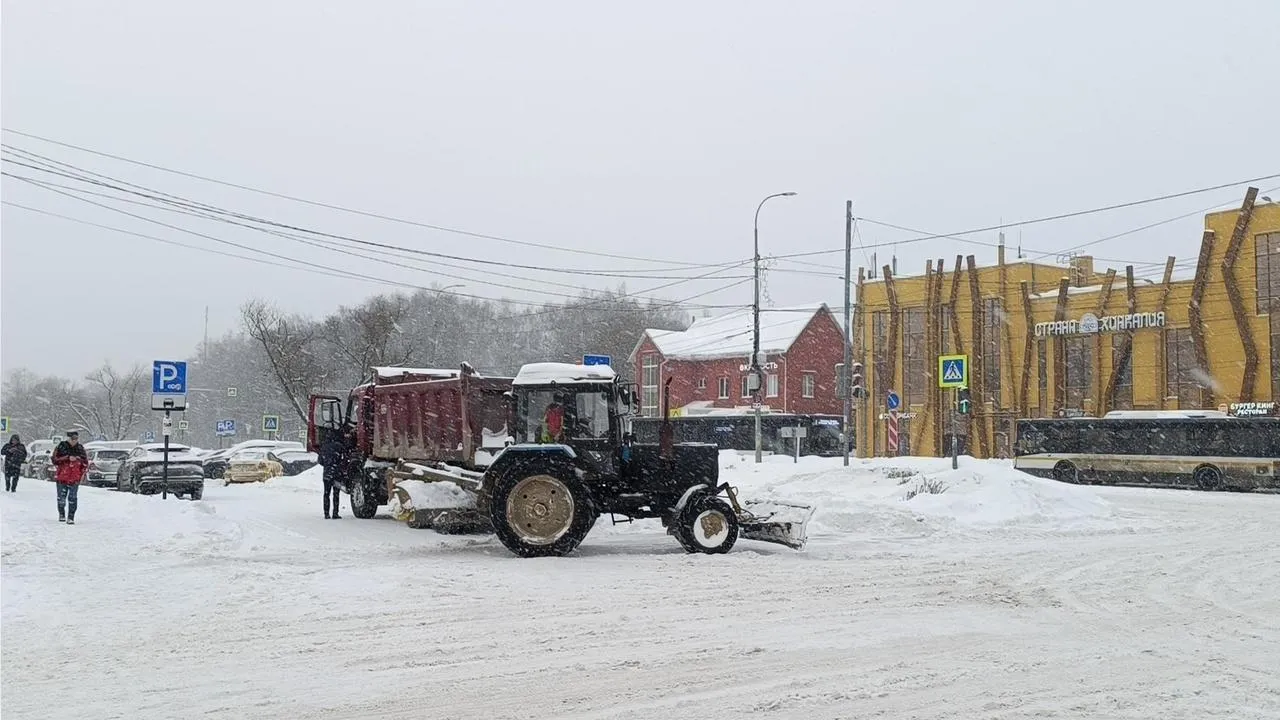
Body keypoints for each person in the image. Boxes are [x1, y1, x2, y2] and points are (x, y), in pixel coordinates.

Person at [50, 431, 88, 524]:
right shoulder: (61, 446)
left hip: (75, 478)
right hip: (62, 477)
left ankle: (71, 517)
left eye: (76, 438)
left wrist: (81, 472)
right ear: (68, 438)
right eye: (72, 438)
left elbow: (85, 462)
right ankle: (61, 514)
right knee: (61, 498)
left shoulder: (80, 448)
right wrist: (67, 458)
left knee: (73, 498)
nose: (74, 441)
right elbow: (54, 460)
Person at [316, 425, 351, 519]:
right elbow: (345, 459)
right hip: (337, 473)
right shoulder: (340, 446)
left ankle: (326, 513)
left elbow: (320, 461)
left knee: (326, 493)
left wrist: (327, 465)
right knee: (336, 494)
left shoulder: (324, 447)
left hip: (327, 473)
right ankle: (335, 513)